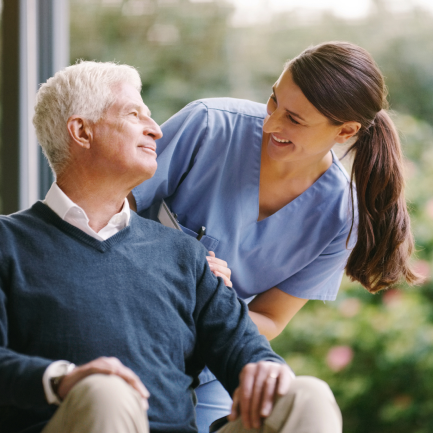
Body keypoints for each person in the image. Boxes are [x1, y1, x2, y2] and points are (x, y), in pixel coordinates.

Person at [0, 61, 343, 433]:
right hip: (71, 421)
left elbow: (243, 346)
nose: (157, 130)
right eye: (135, 114)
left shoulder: (186, 255)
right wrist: (61, 379)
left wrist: (265, 369)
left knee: (307, 395)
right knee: (105, 394)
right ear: (82, 131)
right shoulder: (9, 243)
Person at [130, 41, 420, 432]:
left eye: (295, 120)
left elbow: (269, 317)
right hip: (126, 332)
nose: (271, 124)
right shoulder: (208, 125)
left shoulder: (339, 218)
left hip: (212, 368)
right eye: (273, 102)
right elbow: (107, 210)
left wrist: (211, 308)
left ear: (345, 131)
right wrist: (173, 262)